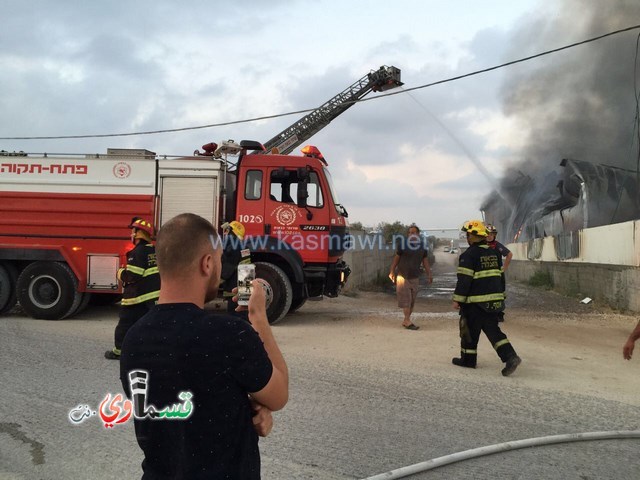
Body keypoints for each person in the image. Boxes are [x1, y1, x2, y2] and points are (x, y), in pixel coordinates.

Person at [120, 213, 288, 479]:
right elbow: (278, 395)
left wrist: (242, 408)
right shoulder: (230, 334)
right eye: (220, 261)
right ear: (207, 264)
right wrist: (258, 316)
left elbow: (176, 404)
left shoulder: (133, 339)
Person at [452, 219, 522, 376]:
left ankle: (468, 360)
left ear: (474, 236)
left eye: (468, 235)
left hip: (475, 303)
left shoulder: (468, 255)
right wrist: (501, 297)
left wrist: (457, 299)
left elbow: (464, 280)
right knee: (493, 331)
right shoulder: (494, 253)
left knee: (468, 330)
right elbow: (499, 276)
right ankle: (510, 357)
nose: (467, 238)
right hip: (493, 302)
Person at [105, 218, 160, 360]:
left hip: (137, 298)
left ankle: (119, 351)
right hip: (153, 297)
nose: (131, 234)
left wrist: (120, 273)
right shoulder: (153, 250)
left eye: (133, 231)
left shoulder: (137, 253)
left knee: (125, 325)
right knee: (150, 326)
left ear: (138, 234)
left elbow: (132, 275)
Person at [389, 224, 433, 330]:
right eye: (409, 233)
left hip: (415, 277)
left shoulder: (422, 247)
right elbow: (396, 259)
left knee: (412, 300)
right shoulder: (403, 245)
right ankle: (407, 321)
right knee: (406, 300)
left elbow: (425, 261)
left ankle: (406, 320)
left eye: (413, 232)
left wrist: (429, 274)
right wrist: (391, 271)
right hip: (402, 277)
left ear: (418, 234)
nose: (411, 234)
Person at [220, 220, 252, 315]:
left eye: (227, 230)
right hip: (245, 283)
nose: (225, 233)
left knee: (234, 311)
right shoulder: (243, 246)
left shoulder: (232, 244)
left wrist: (220, 278)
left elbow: (227, 265)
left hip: (233, 284)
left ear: (232, 231)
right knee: (243, 311)